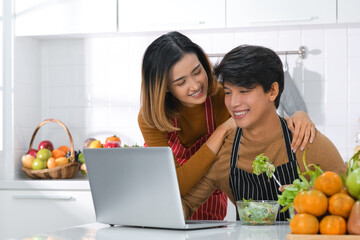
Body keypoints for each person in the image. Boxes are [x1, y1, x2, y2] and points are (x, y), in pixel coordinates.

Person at [138, 32, 315, 220]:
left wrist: (298, 115)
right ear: (164, 87)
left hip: (211, 208)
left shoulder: (224, 96)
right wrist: (222, 130)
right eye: (181, 82)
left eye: (197, 71)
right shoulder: (151, 118)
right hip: (171, 203)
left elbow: (261, 119)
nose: (196, 85)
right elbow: (174, 185)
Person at [181, 45, 347, 221]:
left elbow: (350, 201)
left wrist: (312, 197)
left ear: (272, 91)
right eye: (228, 92)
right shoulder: (224, 152)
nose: (233, 103)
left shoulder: (306, 141)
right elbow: (184, 206)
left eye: (244, 91)